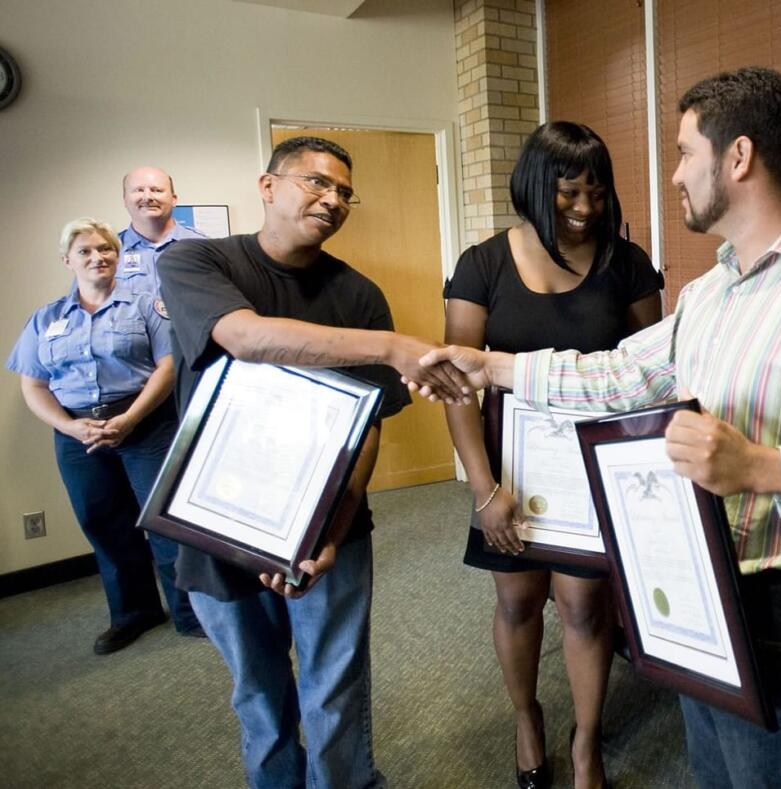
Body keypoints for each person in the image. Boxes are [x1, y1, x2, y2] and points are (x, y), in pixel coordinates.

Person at [420, 67, 781, 788]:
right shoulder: (711, 293)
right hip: (699, 591)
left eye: (683, 153)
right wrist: (488, 368)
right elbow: (616, 374)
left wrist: (762, 468)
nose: (673, 175)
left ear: (737, 158)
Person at [157, 135, 465, 789]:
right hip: (221, 520)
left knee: (335, 689)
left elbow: (368, 426)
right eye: (316, 182)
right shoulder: (196, 262)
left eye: (344, 192)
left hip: (331, 529)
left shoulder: (358, 295)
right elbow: (244, 337)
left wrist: (330, 527)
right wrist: (390, 345)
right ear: (267, 186)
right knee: (260, 695)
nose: (333, 199)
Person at [443, 122, 662, 789]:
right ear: (536, 187)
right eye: (570, 192)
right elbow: (458, 383)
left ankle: (586, 744)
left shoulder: (624, 263)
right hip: (508, 471)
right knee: (517, 602)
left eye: (597, 193)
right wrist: (484, 491)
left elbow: (656, 372)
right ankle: (527, 718)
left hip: (590, 473)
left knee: (584, 607)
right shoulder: (483, 264)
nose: (586, 208)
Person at [6, 218, 201, 652]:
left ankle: (190, 612)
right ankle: (134, 613)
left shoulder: (148, 305)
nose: (98, 257)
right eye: (86, 251)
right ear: (67, 260)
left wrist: (130, 418)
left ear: (118, 255)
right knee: (103, 522)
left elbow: (168, 368)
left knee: (165, 520)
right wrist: (69, 425)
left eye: (105, 249)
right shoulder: (47, 319)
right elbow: (33, 385)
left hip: (146, 424)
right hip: (79, 434)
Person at [117, 166, 207, 297]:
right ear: (125, 200)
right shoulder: (106, 253)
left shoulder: (203, 246)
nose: (147, 197)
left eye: (157, 190)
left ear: (174, 199)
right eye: (139, 190)